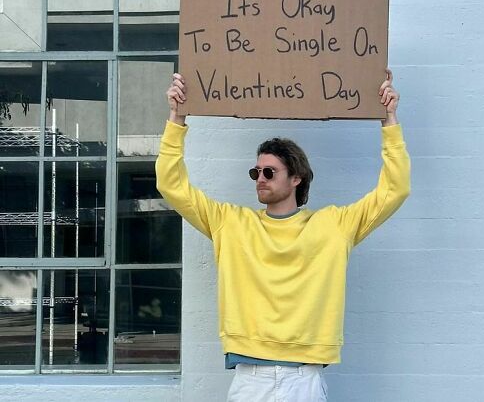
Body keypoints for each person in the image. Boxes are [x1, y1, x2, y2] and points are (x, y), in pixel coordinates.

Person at [156, 70, 410, 402]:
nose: (260, 178)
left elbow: (395, 189)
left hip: (304, 377)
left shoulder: (334, 225)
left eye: (269, 172)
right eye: (256, 172)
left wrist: (389, 120)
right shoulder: (230, 223)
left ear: (297, 179)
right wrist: (177, 118)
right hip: (250, 377)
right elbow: (170, 185)